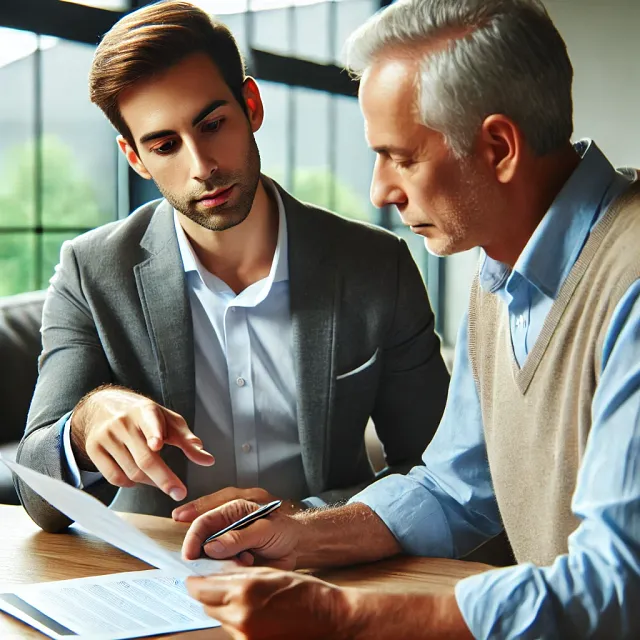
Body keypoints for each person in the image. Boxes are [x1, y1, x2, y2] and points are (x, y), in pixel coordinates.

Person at [179, 0, 640, 637]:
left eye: (401, 157)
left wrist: (341, 616)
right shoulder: (498, 272)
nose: (380, 191)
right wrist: (302, 535)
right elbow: (458, 486)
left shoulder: (632, 281)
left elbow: (616, 589)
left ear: (499, 147)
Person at [15, 1, 450, 533]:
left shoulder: (377, 266)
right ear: (134, 157)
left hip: (329, 572)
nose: (202, 167)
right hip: (155, 579)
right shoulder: (91, 271)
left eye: (213, 124)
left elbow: (439, 471)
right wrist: (84, 427)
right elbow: (36, 496)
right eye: (165, 145)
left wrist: (306, 522)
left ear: (251, 105)